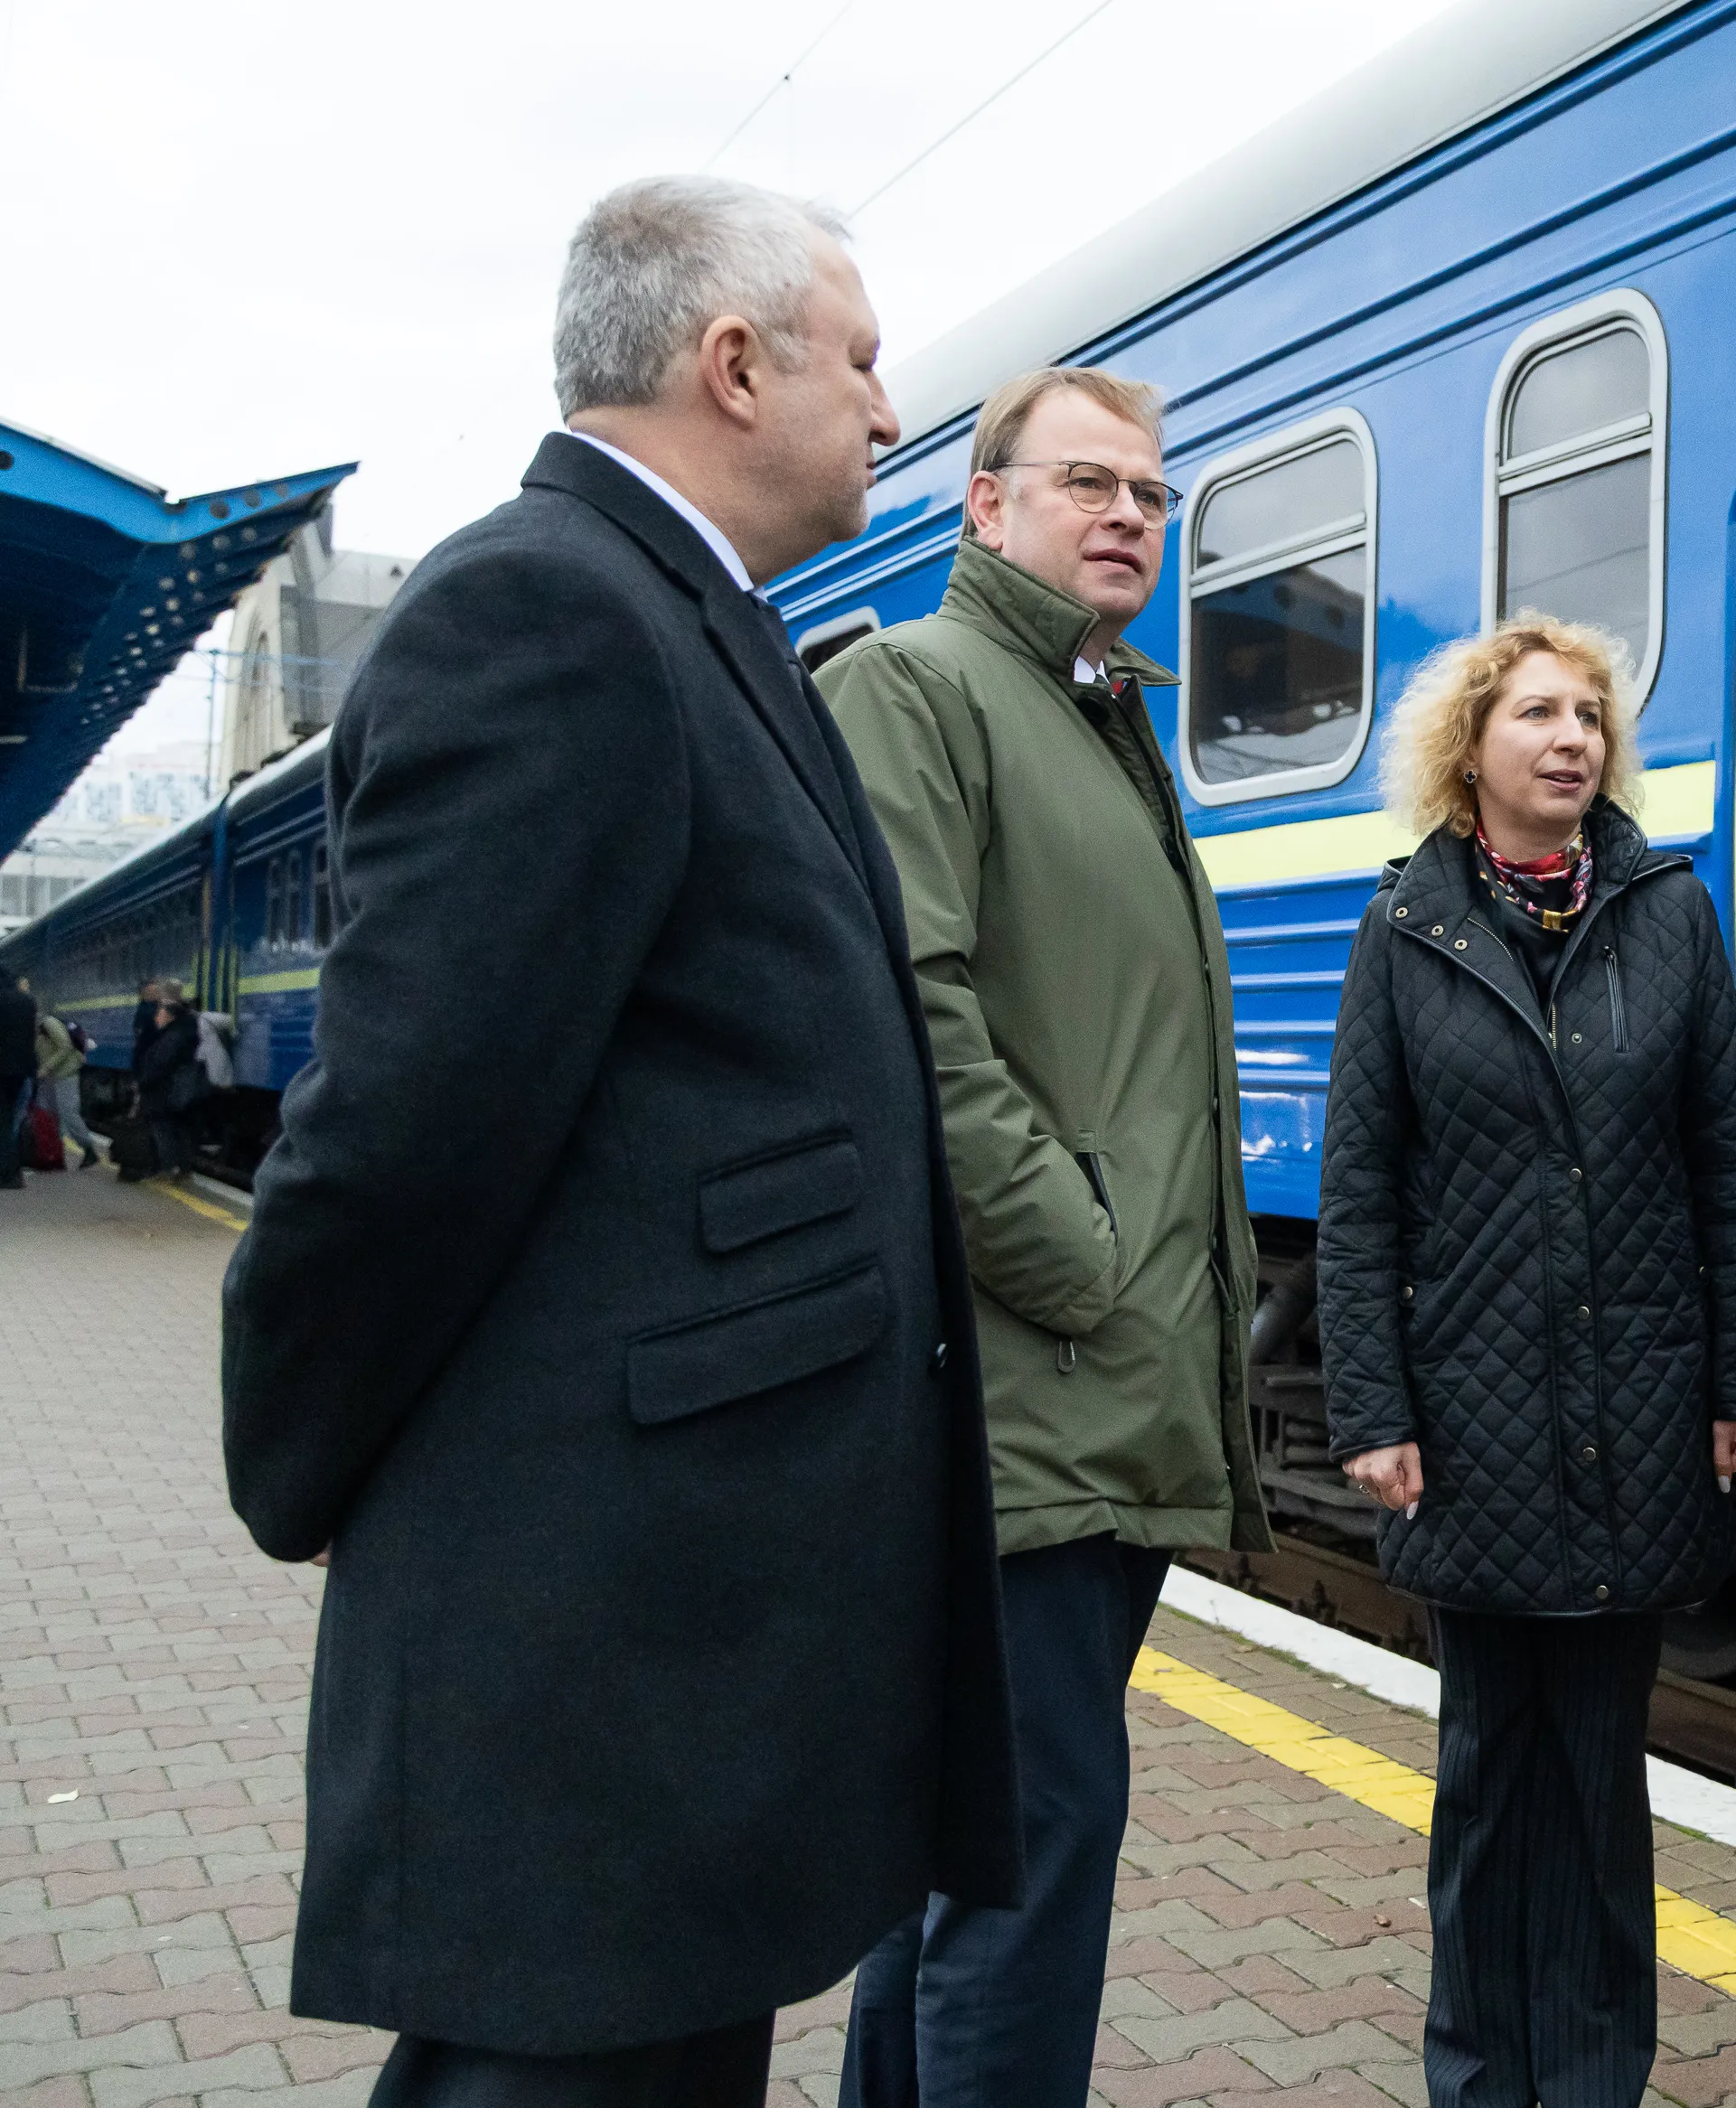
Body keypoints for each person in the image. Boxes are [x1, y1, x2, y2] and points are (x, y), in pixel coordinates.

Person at [218, 174, 1018, 2108]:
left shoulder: (685, 617)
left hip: (687, 1622)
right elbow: (398, 1137)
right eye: (861, 359)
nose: (890, 406)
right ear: (733, 365)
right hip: (602, 1631)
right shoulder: (547, 612)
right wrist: (292, 1459)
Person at [819, 365, 1268, 2108]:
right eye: (1088, 482)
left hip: (1092, 1378)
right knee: (1034, 1838)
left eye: (1151, 494)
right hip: (1027, 1375)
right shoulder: (923, 687)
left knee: (975, 1842)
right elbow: (910, 1009)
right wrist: (1079, 1260)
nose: (1128, 515)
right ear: (984, 504)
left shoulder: (1093, 715)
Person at [1318, 617, 1736, 2108]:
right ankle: (1476, 2076)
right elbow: (1360, 1195)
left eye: (1589, 715)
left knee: (1598, 1782)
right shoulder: (1404, 928)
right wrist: (1373, 1406)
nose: (1573, 737)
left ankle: (1588, 2081)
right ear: (1470, 747)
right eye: (1537, 714)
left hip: (1638, 1410)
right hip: (1473, 1420)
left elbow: (1727, 1165)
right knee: (1485, 1783)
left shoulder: (1670, 913)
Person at [128, 986, 204, 1184]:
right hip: (178, 1092)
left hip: (163, 1092)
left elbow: (159, 1065)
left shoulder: (171, 1037)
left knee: (162, 1130)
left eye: (160, 1013)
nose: (157, 1017)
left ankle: (167, 1169)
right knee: (181, 1130)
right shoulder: (183, 1033)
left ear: (169, 1016)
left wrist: (142, 1083)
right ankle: (184, 1171)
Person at [34, 991, 98, 1168]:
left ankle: (89, 1149)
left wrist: (46, 1067)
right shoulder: (36, 1026)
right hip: (53, 1075)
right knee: (50, 1113)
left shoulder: (48, 1023)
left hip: (66, 1072)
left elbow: (65, 1046)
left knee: (68, 1112)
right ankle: (55, 1154)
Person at [0, 971, 34, 1188]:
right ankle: (12, 1172)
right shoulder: (27, 1001)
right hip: (21, 1070)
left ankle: (8, 1174)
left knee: (3, 1121)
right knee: (11, 1118)